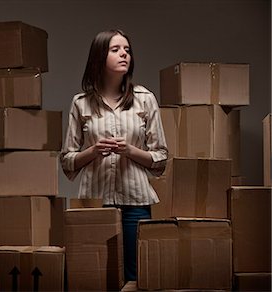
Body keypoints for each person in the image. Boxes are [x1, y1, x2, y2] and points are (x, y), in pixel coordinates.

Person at [60, 29, 168, 282]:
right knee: (93, 276)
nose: (124, 55)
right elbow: (67, 161)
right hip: (94, 201)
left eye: (127, 50)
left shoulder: (145, 99)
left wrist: (130, 151)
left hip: (136, 202)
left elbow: (161, 158)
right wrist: (93, 151)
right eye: (116, 49)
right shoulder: (81, 103)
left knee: (135, 275)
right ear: (99, 57)